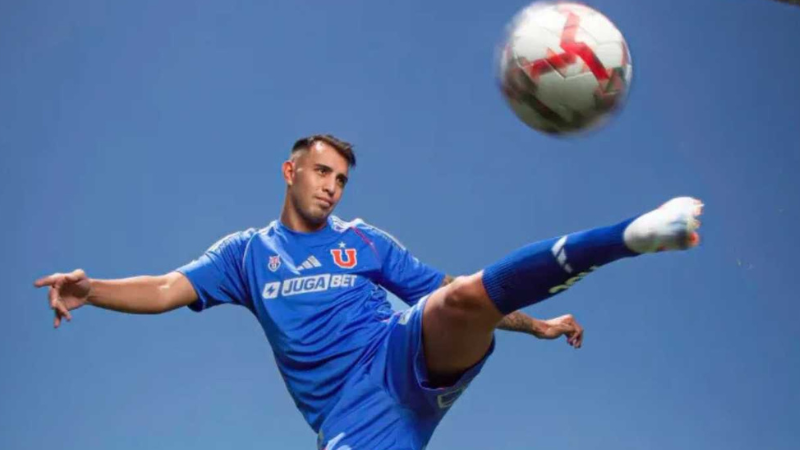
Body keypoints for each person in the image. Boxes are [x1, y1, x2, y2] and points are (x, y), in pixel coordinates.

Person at [34, 134, 703, 450]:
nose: (332, 187)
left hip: (398, 354)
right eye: (321, 172)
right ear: (290, 171)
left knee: (461, 299)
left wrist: (542, 325)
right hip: (352, 417)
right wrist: (93, 290)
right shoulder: (245, 254)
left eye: (341, 179)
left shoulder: (364, 241)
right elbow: (165, 288)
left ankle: (633, 235)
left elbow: (449, 289)